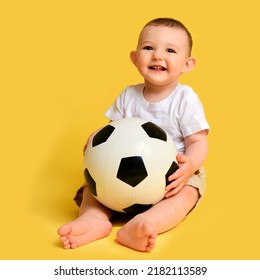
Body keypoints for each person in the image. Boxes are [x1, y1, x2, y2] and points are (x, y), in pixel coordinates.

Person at [57, 17, 210, 252]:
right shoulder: (128, 95)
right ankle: (94, 219)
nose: (158, 56)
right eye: (149, 48)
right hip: (121, 181)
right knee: (91, 188)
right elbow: (112, 132)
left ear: (187, 64)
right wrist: (95, 139)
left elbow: (198, 141)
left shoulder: (185, 99)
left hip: (171, 179)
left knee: (187, 194)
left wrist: (189, 166)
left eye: (170, 50)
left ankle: (145, 223)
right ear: (134, 57)